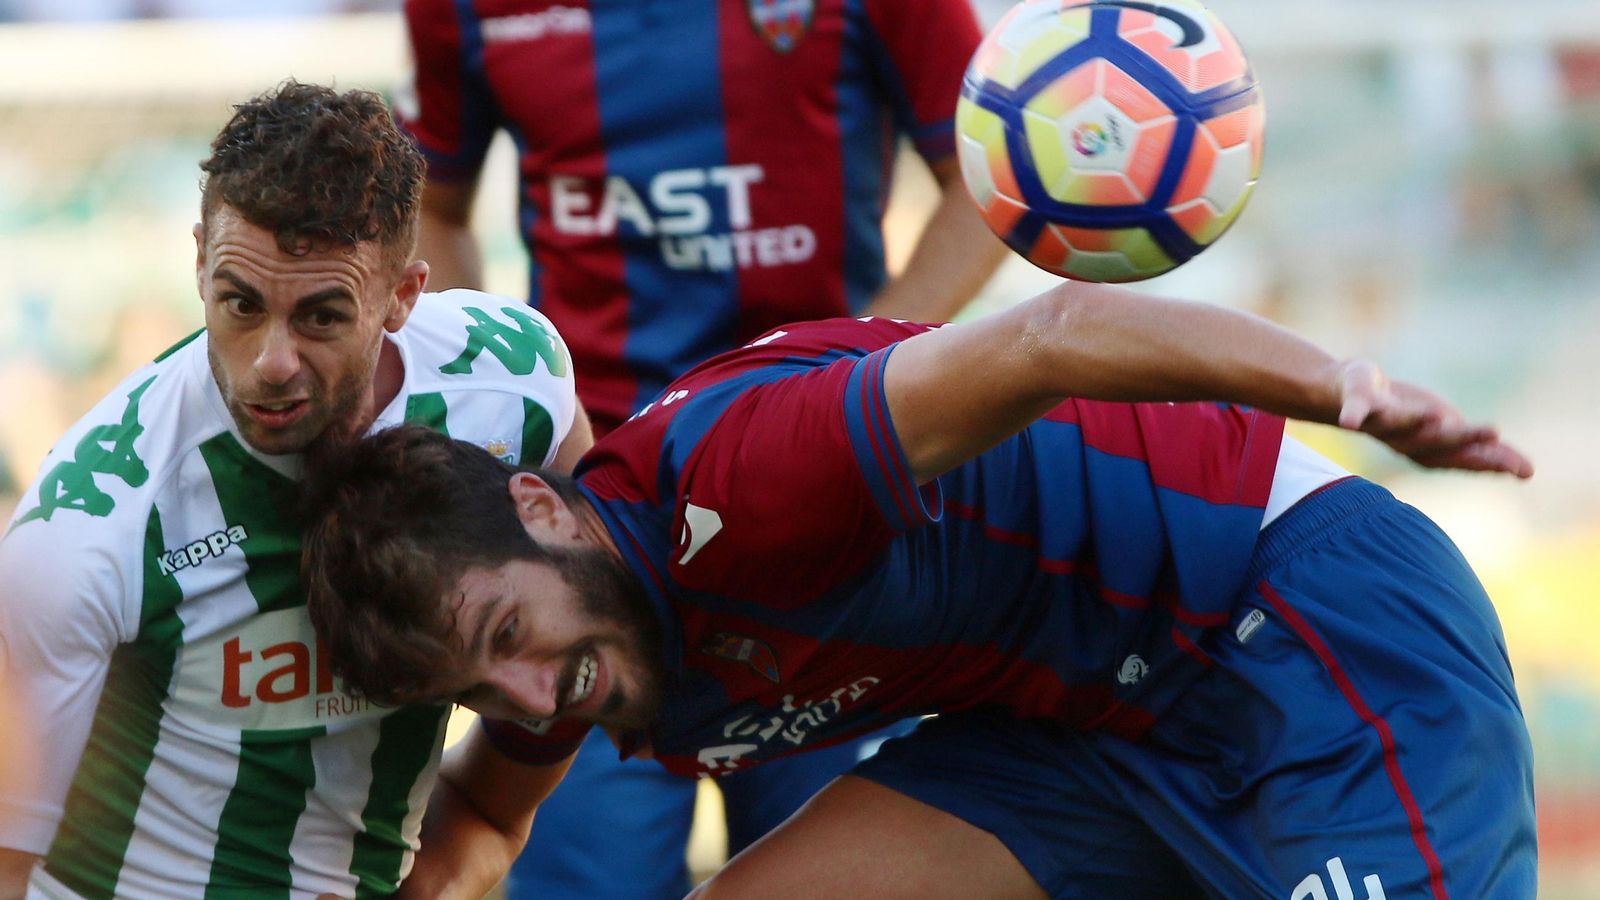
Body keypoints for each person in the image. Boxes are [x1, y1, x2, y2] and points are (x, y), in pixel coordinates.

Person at [302, 282, 1538, 900]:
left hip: (1279, 610)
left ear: (542, 507)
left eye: (505, 638)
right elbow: (479, 824)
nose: (525, 695)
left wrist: (1339, 388)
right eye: (480, 688)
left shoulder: (739, 480)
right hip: (1085, 731)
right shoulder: (562, 635)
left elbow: (1048, 335)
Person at [398, 0, 1008, 891]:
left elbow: (986, 175)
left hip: (825, 527)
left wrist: (872, 361)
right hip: (592, 545)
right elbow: (437, 207)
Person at [0, 80, 591, 898]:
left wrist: (471, 842)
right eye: (240, 304)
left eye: (319, 315)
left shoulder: (517, 390)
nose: (270, 362)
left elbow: (586, 630)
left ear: (403, 297)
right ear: (200, 258)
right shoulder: (90, 527)